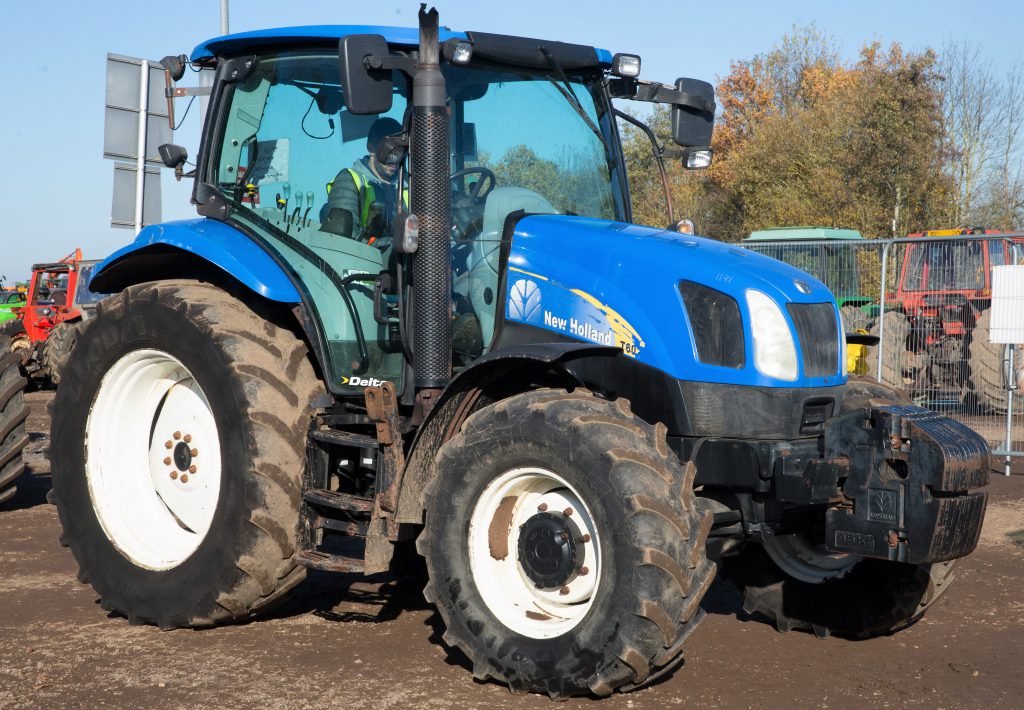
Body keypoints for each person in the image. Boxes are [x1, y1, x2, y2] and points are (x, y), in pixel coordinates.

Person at [321, 117, 407, 244]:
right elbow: (346, 239)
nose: (395, 159)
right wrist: (397, 246)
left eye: (399, 152)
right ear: (371, 149)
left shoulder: (409, 185)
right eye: (389, 152)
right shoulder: (349, 181)